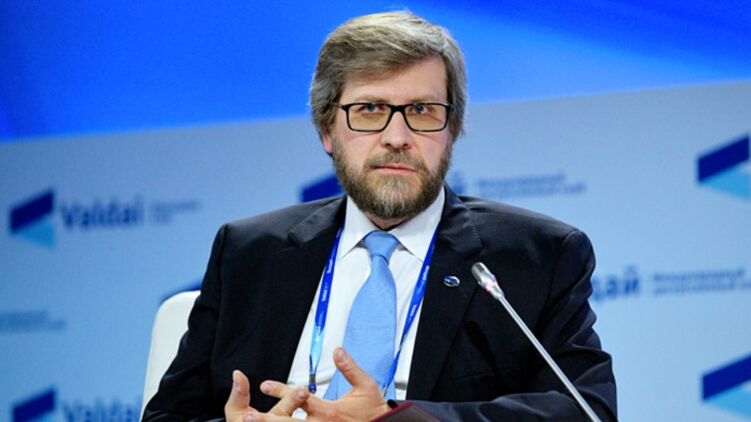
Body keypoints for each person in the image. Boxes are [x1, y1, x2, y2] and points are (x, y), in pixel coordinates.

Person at [143, 11, 616, 422]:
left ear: (452, 129)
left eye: (422, 110)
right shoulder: (249, 252)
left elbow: (586, 410)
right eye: (370, 109)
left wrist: (396, 419)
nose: (397, 136)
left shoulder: (535, 256)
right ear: (327, 130)